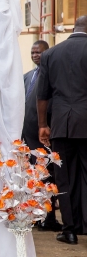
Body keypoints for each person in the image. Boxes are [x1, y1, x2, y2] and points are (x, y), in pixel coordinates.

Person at [37, 16, 87, 245]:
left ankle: (69, 230)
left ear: (74, 28)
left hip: (61, 124)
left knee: (65, 178)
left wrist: (42, 125)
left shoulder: (50, 54)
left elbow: (42, 95)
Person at [21, 40, 61, 232]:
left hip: (45, 135)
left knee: (48, 178)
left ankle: (49, 217)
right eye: (33, 52)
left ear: (48, 53)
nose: (35, 55)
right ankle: (35, 216)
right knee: (32, 177)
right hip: (27, 136)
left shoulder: (54, 77)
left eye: (39, 52)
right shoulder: (27, 77)